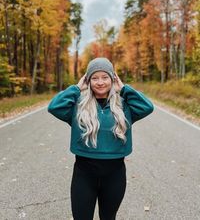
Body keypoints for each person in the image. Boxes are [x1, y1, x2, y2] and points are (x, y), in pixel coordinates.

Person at [48, 57, 154, 220]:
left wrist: (124, 89)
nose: (100, 82)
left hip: (115, 175)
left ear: (113, 79)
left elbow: (147, 107)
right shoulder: (78, 106)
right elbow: (54, 107)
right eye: (94, 78)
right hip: (84, 174)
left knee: (108, 217)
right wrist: (76, 88)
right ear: (88, 81)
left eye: (105, 77)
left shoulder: (124, 106)